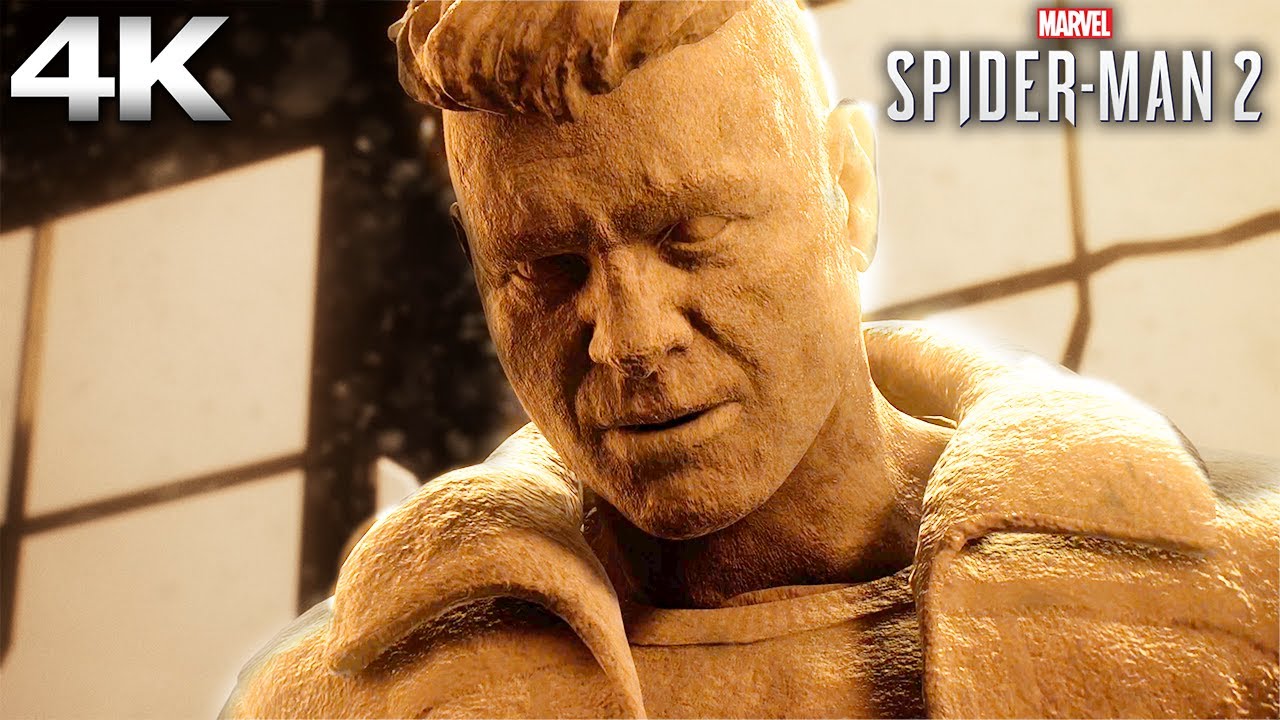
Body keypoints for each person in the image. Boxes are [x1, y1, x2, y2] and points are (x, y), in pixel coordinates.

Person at [222, 1, 1279, 716]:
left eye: (691, 234)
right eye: (543, 268)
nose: (629, 339)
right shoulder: (350, 705)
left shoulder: (1243, 616)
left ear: (848, 193)